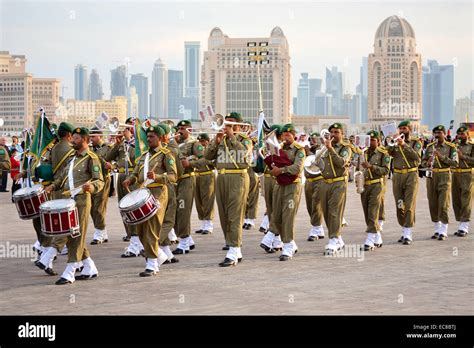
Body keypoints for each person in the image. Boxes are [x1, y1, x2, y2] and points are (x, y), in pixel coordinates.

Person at [44, 127, 104, 285]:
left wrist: (90, 187)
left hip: (82, 201)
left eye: (76, 138)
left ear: (85, 140)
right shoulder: (72, 158)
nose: (72, 140)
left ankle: (70, 271)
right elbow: (63, 177)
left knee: (76, 236)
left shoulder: (92, 158)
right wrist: (52, 186)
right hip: (68, 202)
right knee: (74, 235)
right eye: (73, 138)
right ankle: (90, 267)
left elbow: (100, 181)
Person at [122, 126, 178, 276]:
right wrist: (129, 179)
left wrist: (158, 177)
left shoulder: (166, 155)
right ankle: (159, 256)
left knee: (152, 228)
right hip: (142, 193)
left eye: (152, 136)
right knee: (140, 229)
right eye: (148, 136)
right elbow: (136, 173)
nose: (149, 139)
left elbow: (173, 177)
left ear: (160, 138)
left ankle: (152, 264)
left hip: (158, 193)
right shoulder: (144, 156)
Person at [204, 112, 252, 266]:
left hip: (237, 178)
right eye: (225, 123)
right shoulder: (220, 139)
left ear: (238, 125)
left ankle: (234, 248)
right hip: (222, 178)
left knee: (235, 215)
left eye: (230, 123)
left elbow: (243, 154)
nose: (226, 126)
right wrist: (216, 142)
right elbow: (207, 156)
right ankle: (233, 247)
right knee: (224, 215)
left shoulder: (245, 139)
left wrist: (232, 136)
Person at [34, 122, 76, 276]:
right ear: (69, 135)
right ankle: (48, 257)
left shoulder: (53, 148)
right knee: (68, 227)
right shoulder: (71, 151)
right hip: (66, 191)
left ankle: (49, 257)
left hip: (53, 190)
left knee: (55, 226)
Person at [267, 123, 305, 261]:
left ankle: (288, 245)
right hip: (279, 186)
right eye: (284, 134)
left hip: (292, 186)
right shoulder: (277, 149)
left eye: (289, 134)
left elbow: (297, 168)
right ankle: (291, 243)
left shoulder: (299, 150)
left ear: (294, 135)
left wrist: (281, 170)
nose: (286, 137)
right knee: (276, 216)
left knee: (288, 217)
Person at [387, 120, 423, 245]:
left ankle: (408, 232)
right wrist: (391, 142)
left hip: (411, 174)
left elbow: (417, 158)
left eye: (404, 129)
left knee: (409, 204)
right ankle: (403, 228)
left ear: (409, 129)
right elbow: (388, 153)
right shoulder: (395, 142)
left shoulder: (415, 142)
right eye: (400, 129)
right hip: (397, 175)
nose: (402, 131)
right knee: (399, 204)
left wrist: (404, 145)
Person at [319, 123, 352, 255]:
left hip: (338, 183)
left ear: (342, 134)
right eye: (331, 132)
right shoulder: (325, 147)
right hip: (325, 182)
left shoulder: (346, 148)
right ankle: (338, 238)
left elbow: (341, 163)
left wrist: (331, 149)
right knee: (326, 213)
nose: (333, 134)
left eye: (336, 132)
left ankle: (333, 239)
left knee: (334, 212)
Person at [421, 125, 458, 240]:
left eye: (440, 133)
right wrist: (427, 162)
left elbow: (455, 163)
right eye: (435, 133)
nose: (437, 135)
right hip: (432, 176)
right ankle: (437, 229)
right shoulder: (429, 147)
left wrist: (441, 157)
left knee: (443, 203)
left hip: (444, 175)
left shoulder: (451, 147)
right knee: (433, 203)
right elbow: (422, 162)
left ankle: (444, 230)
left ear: (444, 134)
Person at [359, 131, 390, 251]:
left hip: (377, 185)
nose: (370, 142)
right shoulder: (363, 152)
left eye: (373, 140)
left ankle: (370, 240)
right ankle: (377, 237)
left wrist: (371, 167)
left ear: (378, 141)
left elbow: (386, 171)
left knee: (373, 212)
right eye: (369, 139)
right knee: (367, 212)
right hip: (364, 185)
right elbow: (358, 167)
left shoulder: (384, 154)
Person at [172, 120, 200, 255]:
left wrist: (190, 163)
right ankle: (187, 238)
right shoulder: (174, 144)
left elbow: (203, 159)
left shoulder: (194, 144)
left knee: (183, 211)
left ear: (189, 130)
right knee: (175, 211)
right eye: (179, 128)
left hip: (187, 180)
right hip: (175, 182)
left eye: (183, 128)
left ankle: (183, 243)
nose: (180, 131)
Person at [89, 128, 113, 244]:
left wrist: (112, 165)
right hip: (91, 181)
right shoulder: (89, 149)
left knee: (99, 207)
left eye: (93, 137)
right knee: (92, 208)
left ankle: (99, 233)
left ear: (99, 136)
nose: (91, 139)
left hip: (103, 179)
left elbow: (116, 159)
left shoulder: (108, 148)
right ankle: (102, 230)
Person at [452, 126, 473, 237]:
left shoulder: (471, 146)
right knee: (457, 200)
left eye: (462, 134)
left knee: (466, 200)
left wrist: (463, 157)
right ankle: (460, 224)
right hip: (455, 174)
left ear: (467, 135)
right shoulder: (454, 147)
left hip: (467, 174)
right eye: (459, 134)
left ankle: (464, 227)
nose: (460, 136)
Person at [193, 133, 216, 235]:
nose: (201, 144)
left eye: (203, 141)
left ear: (207, 141)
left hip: (207, 175)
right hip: (197, 175)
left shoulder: (210, 151)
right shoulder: (196, 150)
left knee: (207, 200)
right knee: (199, 201)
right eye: (199, 141)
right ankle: (203, 223)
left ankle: (209, 225)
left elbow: (212, 162)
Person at [305, 131, 325, 242]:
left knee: (316, 205)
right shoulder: (306, 149)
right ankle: (319, 228)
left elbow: (319, 164)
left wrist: (310, 153)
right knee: (310, 206)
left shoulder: (321, 150)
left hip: (318, 180)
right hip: (308, 181)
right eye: (311, 139)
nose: (313, 141)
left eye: (315, 139)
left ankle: (315, 228)